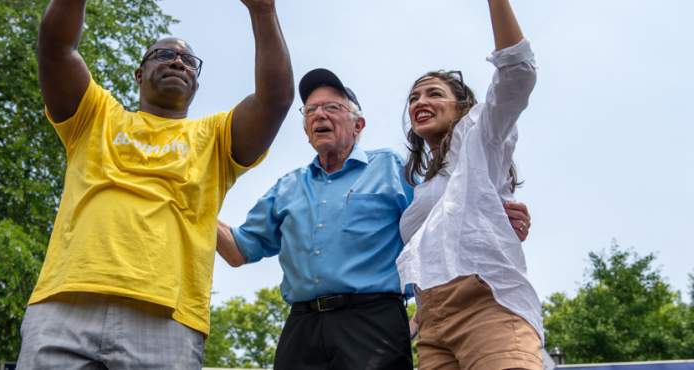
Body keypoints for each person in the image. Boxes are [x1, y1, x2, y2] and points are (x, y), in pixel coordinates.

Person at [16, 0, 293, 369]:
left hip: (167, 317)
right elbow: (55, 47)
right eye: (164, 55)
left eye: (188, 60)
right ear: (139, 75)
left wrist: (263, 13)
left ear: (197, 83)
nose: (178, 61)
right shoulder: (94, 116)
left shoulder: (215, 139)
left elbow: (276, 100)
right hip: (65, 303)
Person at [216, 69, 532, 370]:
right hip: (302, 327)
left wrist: (493, 209)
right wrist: (192, 204)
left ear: (359, 125)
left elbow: (444, 208)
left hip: (374, 321)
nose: (319, 115)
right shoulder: (286, 188)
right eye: (310, 110)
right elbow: (238, 250)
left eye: (331, 107)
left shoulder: (393, 170)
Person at [396, 0, 543, 370]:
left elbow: (518, 73)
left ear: (462, 107)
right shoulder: (424, 185)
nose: (420, 101)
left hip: (486, 305)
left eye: (433, 93)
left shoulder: (482, 135)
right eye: (413, 97)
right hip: (432, 324)